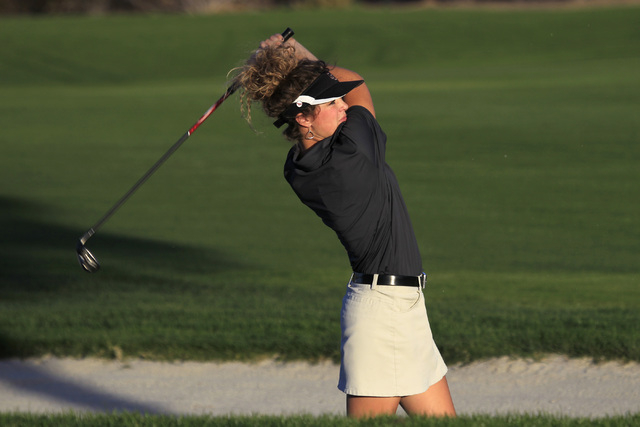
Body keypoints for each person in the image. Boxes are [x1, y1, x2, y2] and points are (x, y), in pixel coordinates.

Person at [234, 33, 456, 418]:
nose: (341, 107)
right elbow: (359, 86)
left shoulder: (298, 166)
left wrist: (289, 73)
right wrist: (292, 49)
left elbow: (341, 95)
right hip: (383, 314)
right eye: (331, 102)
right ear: (302, 117)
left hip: (400, 307)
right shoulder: (353, 153)